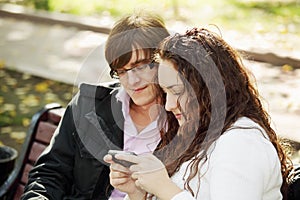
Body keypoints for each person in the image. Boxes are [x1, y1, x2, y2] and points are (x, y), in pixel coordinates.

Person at [104, 27, 293, 200]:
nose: (169, 105)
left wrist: (165, 189)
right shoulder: (194, 135)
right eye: (166, 92)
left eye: (177, 91)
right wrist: (138, 193)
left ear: (208, 89)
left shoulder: (241, 142)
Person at [21, 12, 176, 199]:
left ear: (163, 61)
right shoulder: (88, 104)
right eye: (122, 71)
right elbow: (50, 173)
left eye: (141, 66)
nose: (132, 81)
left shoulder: (184, 117)